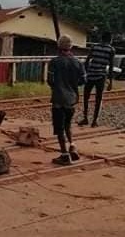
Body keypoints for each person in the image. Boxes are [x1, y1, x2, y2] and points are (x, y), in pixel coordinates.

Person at [48, 35, 86, 165]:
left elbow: (50, 81)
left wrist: (57, 87)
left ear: (59, 46)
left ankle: (64, 155)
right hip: (72, 98)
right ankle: (72, 146)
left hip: (58, 99)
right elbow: (83, 81)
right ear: (71, 46)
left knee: (59, 128)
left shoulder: (54, 62)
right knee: (68, 125)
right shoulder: (78, 63)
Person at [79, 31, 115, 127]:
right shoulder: (111, 49)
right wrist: (110, 82)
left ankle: (85, 118)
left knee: (86, 97)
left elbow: (87, 61)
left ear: (102, 38)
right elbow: (111, 67)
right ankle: (94, 121)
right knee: (98, 99)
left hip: (90, 75)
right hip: (101, 76)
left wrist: (85, 73)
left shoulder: (94, 47)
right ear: (110, 39)